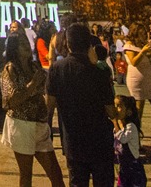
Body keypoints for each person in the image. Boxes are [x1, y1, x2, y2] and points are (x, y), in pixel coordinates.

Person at [48, 24, 116, 187]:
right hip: (100, 139)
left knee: (77, 181)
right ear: (89, 44)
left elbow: (49, 106)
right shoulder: (99, 71)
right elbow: (111, 111)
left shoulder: (57, 69)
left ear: (67, 44)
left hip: (73, 140)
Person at [0, 33, 65, 187]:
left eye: (27, 43)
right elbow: (10, 101)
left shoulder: (34, 66)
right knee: (26, 174)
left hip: (39, 123)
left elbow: (45, 91)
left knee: (55, 173)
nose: (27, 47)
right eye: (22, 44)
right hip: (21, 124)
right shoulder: (10, 69)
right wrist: (33, 84)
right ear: (14, 48)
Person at [114, 95, 147, 187]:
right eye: (114, 106)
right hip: (124, 167)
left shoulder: (131, 126)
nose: (116, 109)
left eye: (119, 106)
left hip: (134, 168)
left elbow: (123, 139)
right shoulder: (118, 127)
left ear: (128, 111)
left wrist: (115, 123)